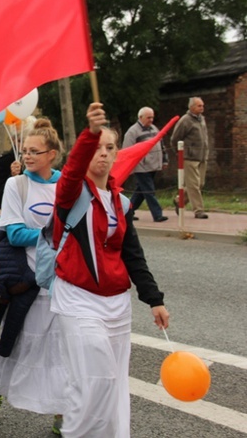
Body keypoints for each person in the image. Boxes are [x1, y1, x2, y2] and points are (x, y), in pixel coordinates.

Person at [51, 103, 169, 437]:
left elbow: (133, 255)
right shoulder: (71, 194)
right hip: (77, 300)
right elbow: (73, 170)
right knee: (95, 378)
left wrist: (154, 299)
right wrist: (89, 134)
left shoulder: (121, 201)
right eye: (97, 148)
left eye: (109, 148)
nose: (102, 154)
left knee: (115, 387)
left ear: (117, 154)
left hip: (117, 306)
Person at [0, 119, 67, 433]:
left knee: (62, 349)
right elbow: (15, 234)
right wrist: (54, 236)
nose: (27, 156)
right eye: (26, 150)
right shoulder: (17, 186)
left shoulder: (66, 184)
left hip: (63, 283)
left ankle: (63, 414)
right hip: (29, 278)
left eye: (35, 151)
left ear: (52, 155)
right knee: (18, 342)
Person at [122, 107, 169, 223]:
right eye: (149, 117)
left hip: (153, 165)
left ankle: (128, 212)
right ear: (140, 118)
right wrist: (129, 166)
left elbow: (162, 145)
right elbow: (127, 150)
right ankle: (157, 214)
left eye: (152, 117)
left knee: (141, 192)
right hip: (141, 167)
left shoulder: (154, 128)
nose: (151, 120)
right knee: (149, 190)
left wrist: (164, 160)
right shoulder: (132, 132)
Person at [170, 97, 209, 219]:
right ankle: (198, 210)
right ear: (191, 107)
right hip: (190, 157)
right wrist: (179, 152)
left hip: (202, 156)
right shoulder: (185, 120)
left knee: (200, 183)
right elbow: (175, 138)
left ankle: (179, 200)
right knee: (194, 185)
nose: (202, 108)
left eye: (202, 105)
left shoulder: (201, 119)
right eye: (199, 106)